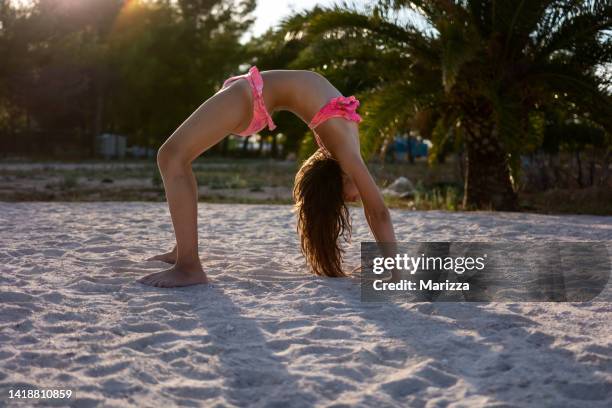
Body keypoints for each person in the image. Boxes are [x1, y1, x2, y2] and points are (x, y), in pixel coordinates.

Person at [139, 66, 396, 287]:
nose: (355, 198)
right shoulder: (346, 151)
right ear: (334, 183)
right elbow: (378, 211)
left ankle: (188, 266)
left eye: (345, 201)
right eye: (349, 200)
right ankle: (182, 252)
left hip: (251, 96)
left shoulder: (345, 151)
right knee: (174, 157)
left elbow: (377, 212)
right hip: (252, 94)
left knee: (171, 157)